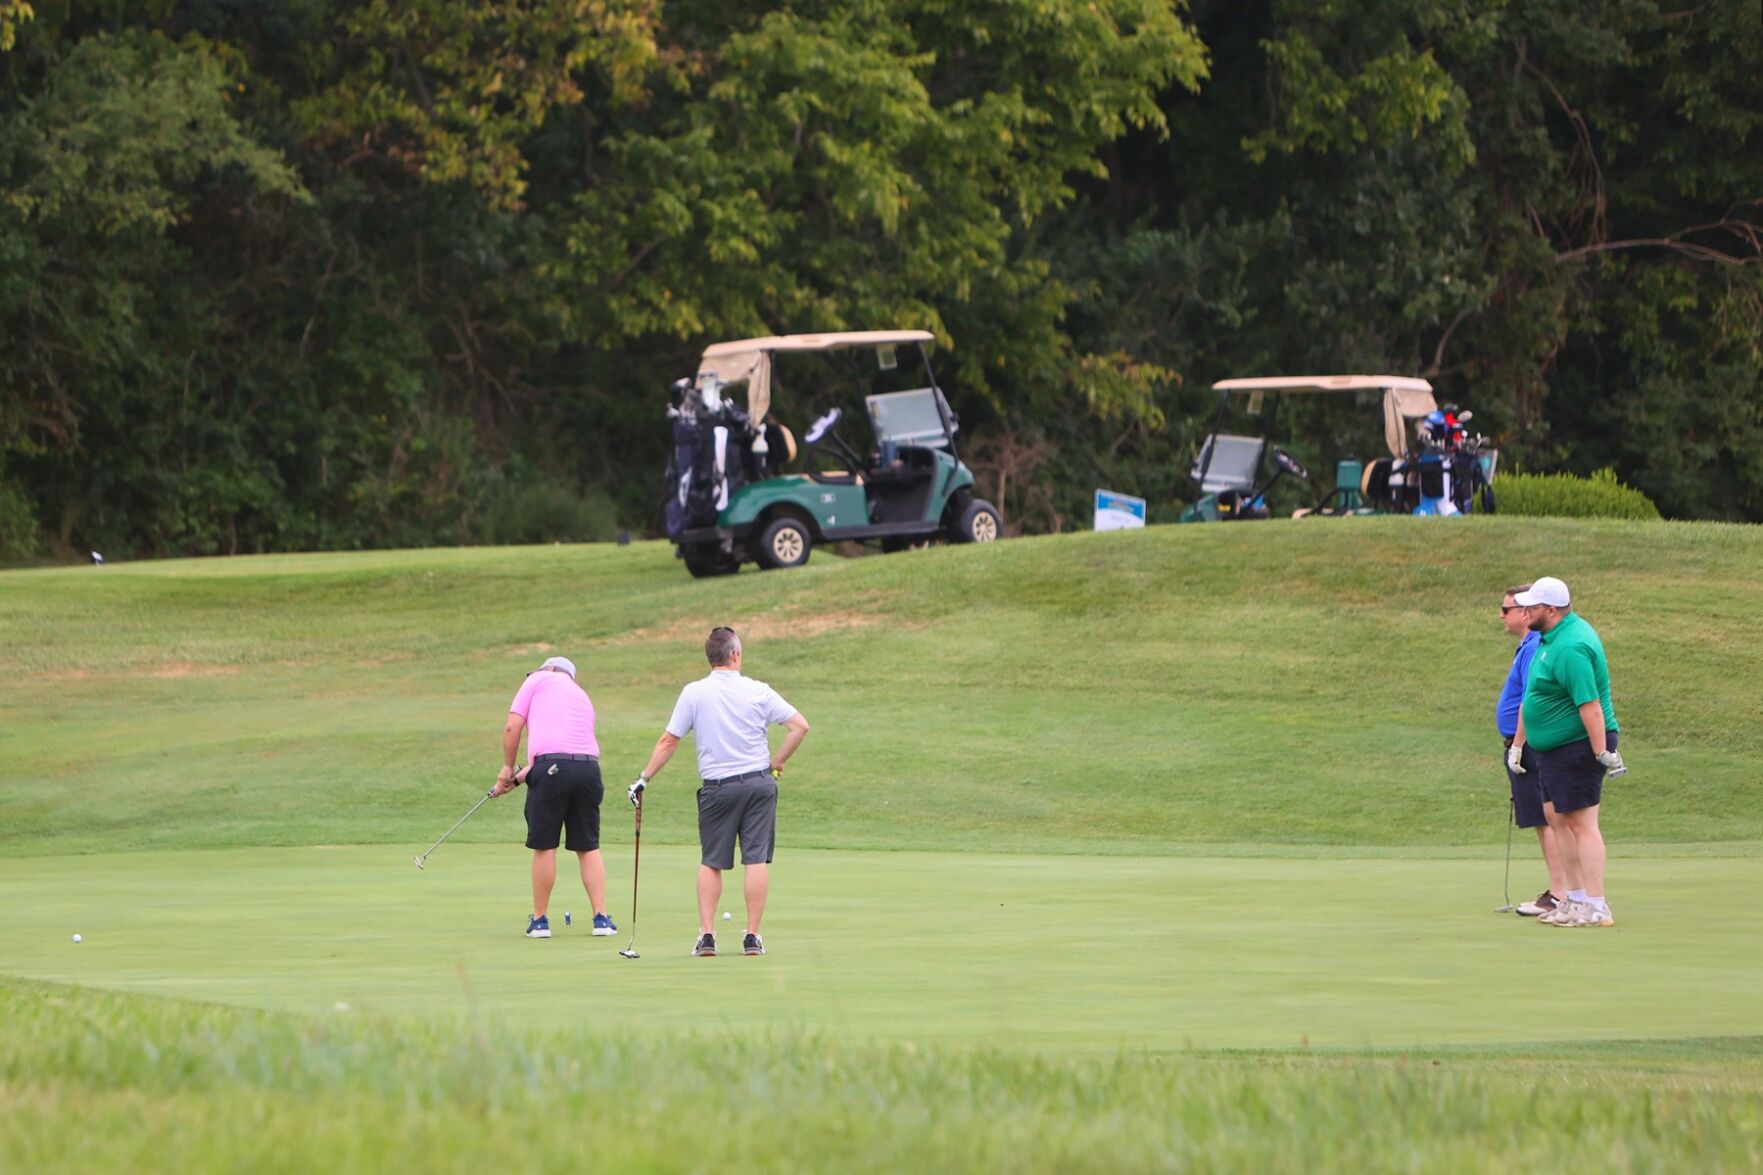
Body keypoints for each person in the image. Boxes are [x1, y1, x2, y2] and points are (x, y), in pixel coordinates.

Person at [629, 626, 810, 957]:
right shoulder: (758, 690)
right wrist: (778, 762)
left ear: (711, 658)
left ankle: (708, 935)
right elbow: (800, 726)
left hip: (717, 789)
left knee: (712, 861)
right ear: (735, 655)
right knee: (755, 859)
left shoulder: (694, 693)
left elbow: (669, 741)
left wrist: (644, 778)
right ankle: (752, 937)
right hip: (759, 782)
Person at [1507, 577, 1625, 928]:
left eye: (1532, 606)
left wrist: (1601, 751)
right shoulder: (1546, 639)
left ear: (1552, 610)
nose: (1524, 611)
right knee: (1557, 818)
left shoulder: (1571, 645)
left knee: (1581, 824)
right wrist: (1518, 744)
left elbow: (1590, 705)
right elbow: (1533, 698)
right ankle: (1573, 899)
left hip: (1579, 746)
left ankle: (1596, 904)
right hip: (1552, 750)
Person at [491, 655, 617, 939]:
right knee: (588, 846)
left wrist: (507, 768)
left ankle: (539, 922)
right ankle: (601, 919)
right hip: (588, 770)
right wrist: (521, 777)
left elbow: (513, 727)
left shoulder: (537, 679)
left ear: (549, 668)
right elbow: (564, 754)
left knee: (545, 845)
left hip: (552, 769)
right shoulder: (580, 695)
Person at [1496, 585, 1568, 916]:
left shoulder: (1534, 647)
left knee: (1548, 820)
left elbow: (1530, 700)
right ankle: (1562, 892)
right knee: (1545, 819)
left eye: (1506, 609)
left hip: (1528, 745)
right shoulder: (1530, 646)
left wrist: (1519, 745)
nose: (1502, 615)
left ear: (1526, 612)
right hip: (1524, 743)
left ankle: (1560, 893)